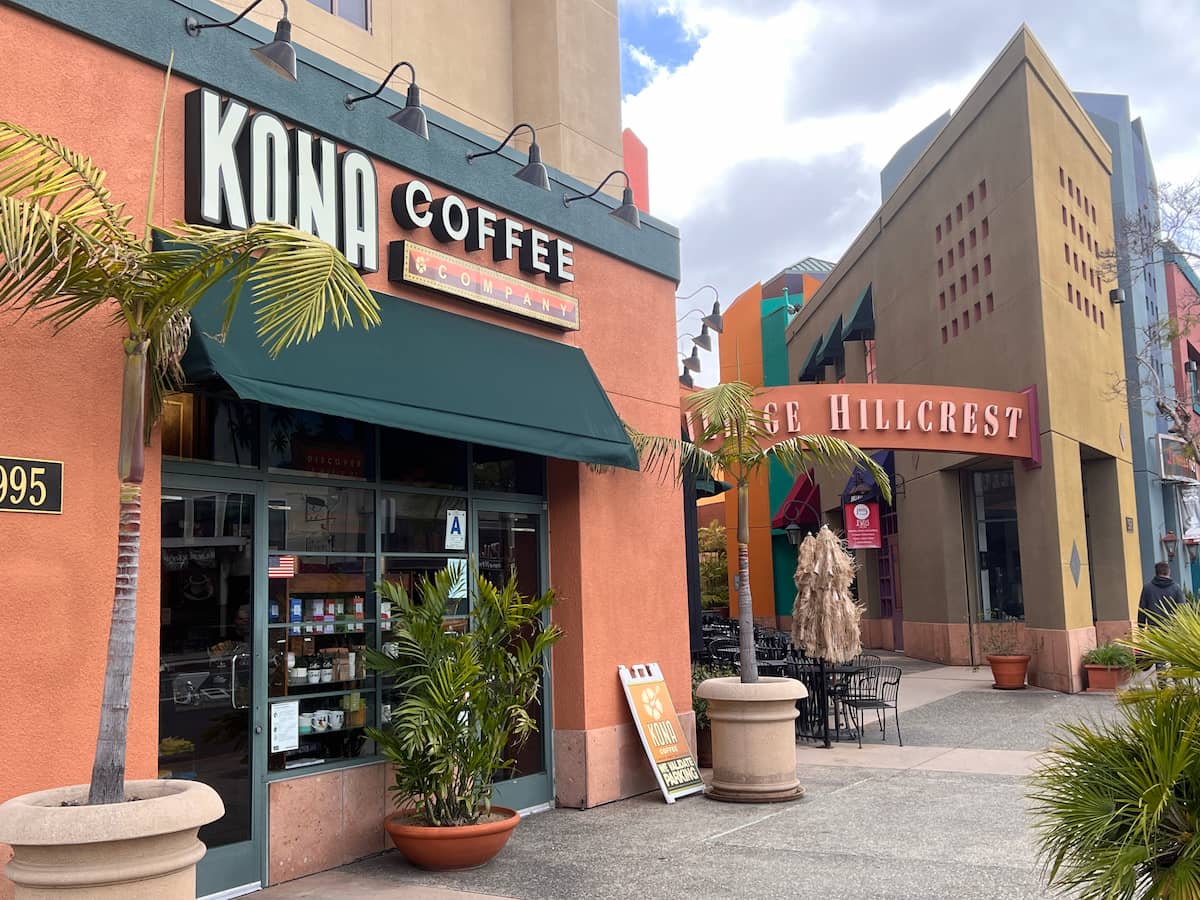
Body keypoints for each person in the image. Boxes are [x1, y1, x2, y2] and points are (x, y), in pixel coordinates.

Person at [1137, 562, 1185, 626]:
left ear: (1156, 573)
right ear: (1169, 572)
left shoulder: (1147, 588)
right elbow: (1182, 609)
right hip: (1172, 629)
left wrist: (1141, 627)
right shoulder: (1176, 588)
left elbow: (1142, 609)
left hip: (1154, 629)